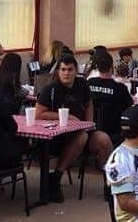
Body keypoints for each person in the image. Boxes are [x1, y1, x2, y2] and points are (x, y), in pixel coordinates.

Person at [35, 54, 112, 202]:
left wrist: (89, 123)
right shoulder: (51, 89)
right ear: (58, 71)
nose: (66, 73)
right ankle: (56, 178)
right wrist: (65, 116)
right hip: (57, 137)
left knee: (104, 140)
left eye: (70, 69)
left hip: (82, 130)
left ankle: (108, 183)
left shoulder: (82, 84)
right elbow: (38, 114)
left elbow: (89, 103)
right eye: (63, 69)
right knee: (81, 137)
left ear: (76, 71)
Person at [87, 50, 134, 141]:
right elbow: (129, 107)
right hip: (114, 131)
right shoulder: (120, 88)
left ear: (97, 67)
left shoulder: (89, 83)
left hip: (92, 129)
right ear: (112, 67)